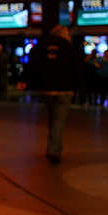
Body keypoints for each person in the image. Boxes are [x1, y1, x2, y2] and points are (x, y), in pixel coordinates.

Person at [18, 24, 83, 163]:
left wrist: (23, 80)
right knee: (58, 120)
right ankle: (54, 150)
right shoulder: (71, 50)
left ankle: (52, 147)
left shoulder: (40, 48)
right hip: (64, 90)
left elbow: (30, 65)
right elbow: (77, 71)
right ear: (63, 35)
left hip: (47, 90)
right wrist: (76, 89)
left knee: (53, 118)